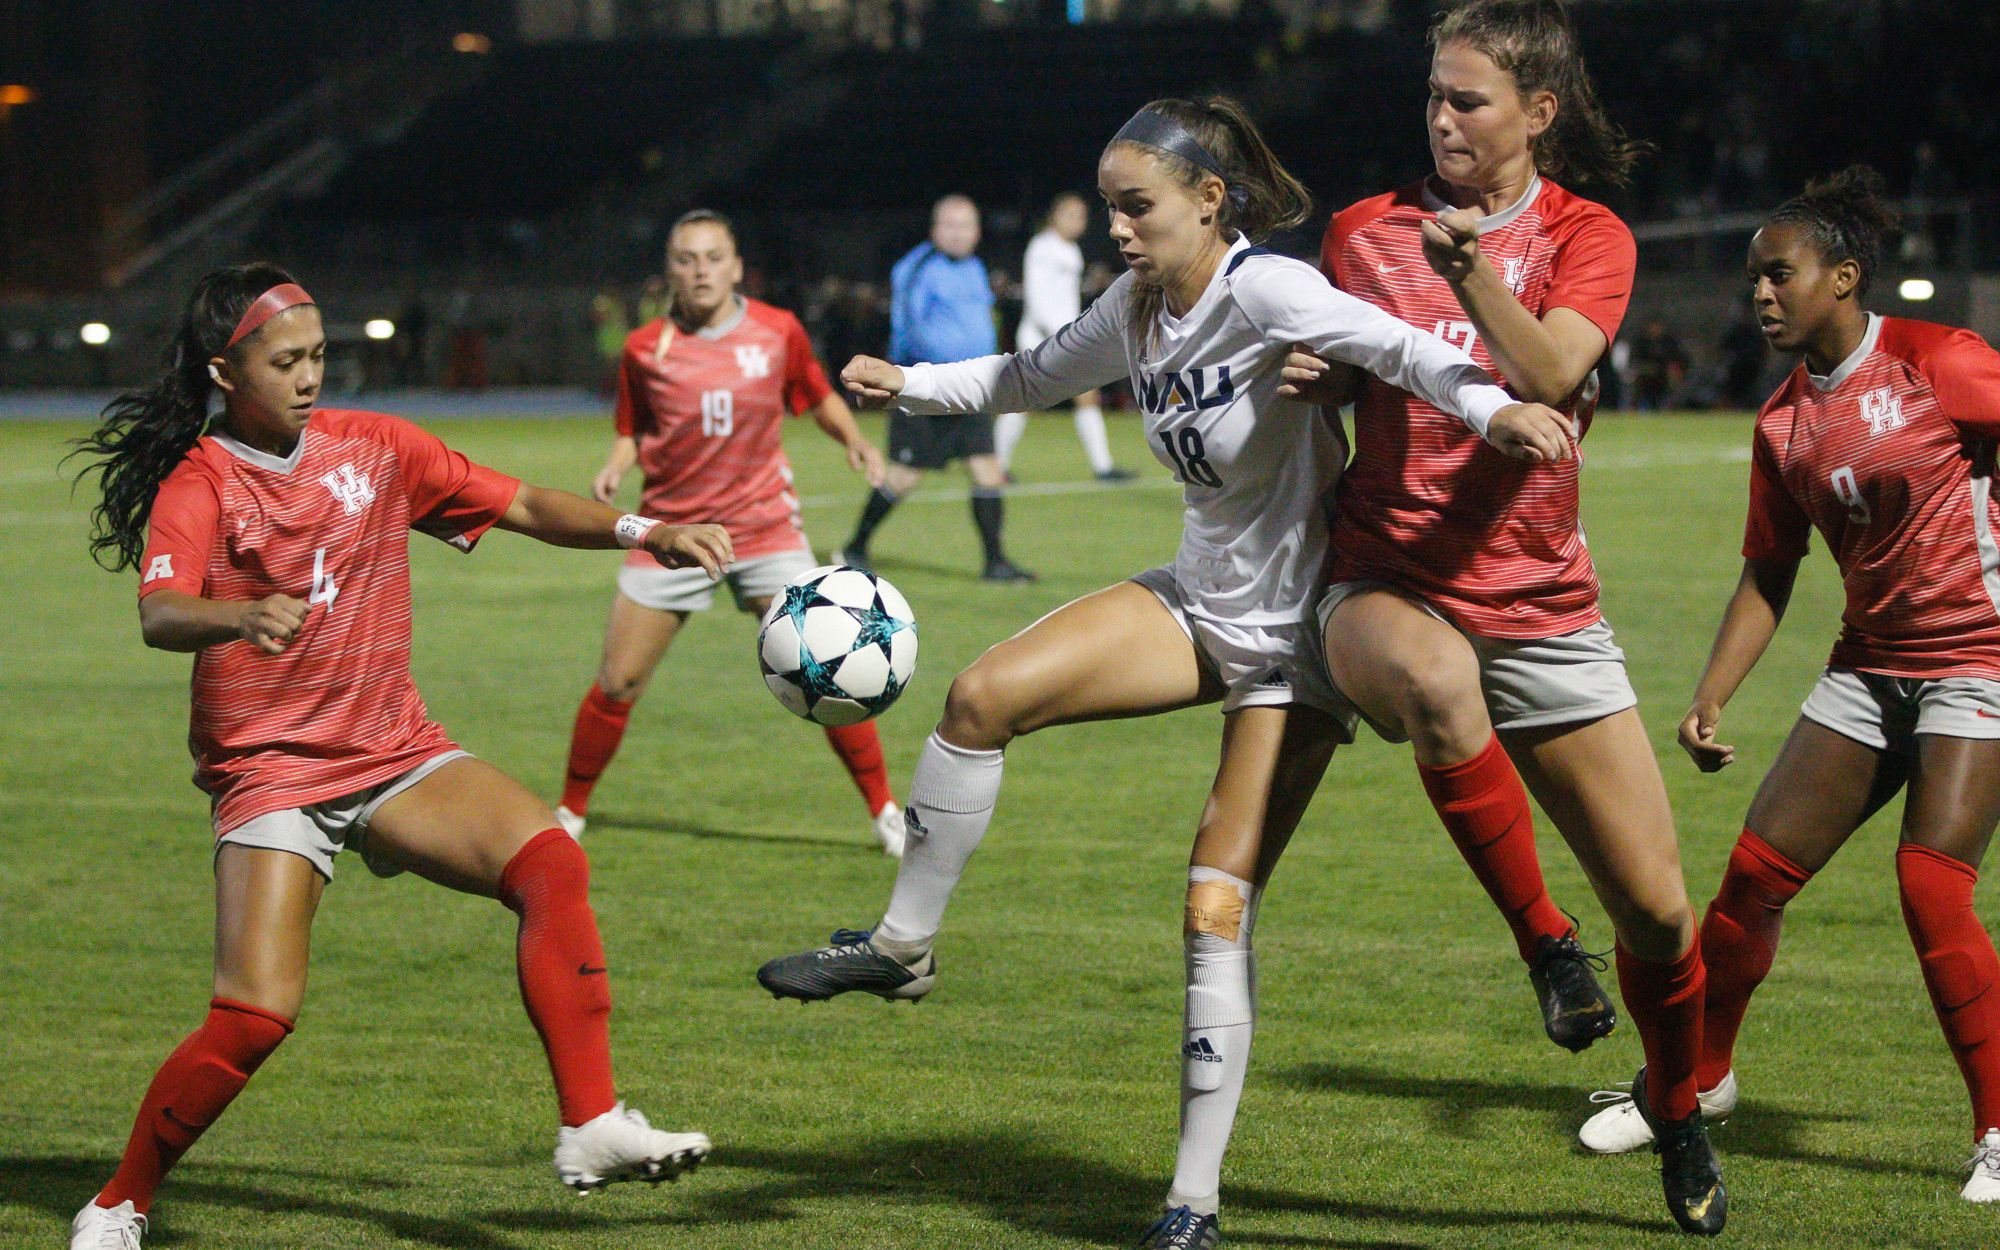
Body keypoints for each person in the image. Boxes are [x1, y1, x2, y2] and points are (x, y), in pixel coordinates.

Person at [757, 97, 1572, 1249]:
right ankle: (901, 947)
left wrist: (1493, 410)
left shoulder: (1265, 290)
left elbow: (1398, 345)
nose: (1118, 231)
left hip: (1293, 642)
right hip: (1195, 601)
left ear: (1208, 199)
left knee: (1210, 904)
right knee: (978, 695)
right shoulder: (1137, 305)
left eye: (1135, 207)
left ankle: (1190, 1200)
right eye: (1108, 209)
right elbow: (1030, 373)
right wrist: (912, 382)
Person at [64, 264, 728, 1249]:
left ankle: (590, 1122)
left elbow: (528, 507)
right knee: (254, 1015)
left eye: (319, 356)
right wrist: (241, 613)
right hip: (275, 766)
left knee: (550, 860)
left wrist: (649, 528)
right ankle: (117, 1202)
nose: (308, 376)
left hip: (391, 748)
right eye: (284, 361)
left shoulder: (376, 447)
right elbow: (160, 612)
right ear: (223, 370)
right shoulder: (200, 481)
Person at [1280, 0, 1721, 1233]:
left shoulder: (1589, 236)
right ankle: (1543, 945)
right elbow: (1319, 395)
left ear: (1539, 112)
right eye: (1432, 94)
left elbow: (1549, 375)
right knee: (1427, 680)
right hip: (1386, 579)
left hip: (1538, 604)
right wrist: (1303, 381)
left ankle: (1676, 1108)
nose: (1441, 118)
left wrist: (1469, 269)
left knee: (1660, 912)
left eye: (1467, 99)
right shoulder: (1363, 232)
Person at [1576, 166, 2000, 1204]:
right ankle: (1699, 1082)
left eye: (1779, 274)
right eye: (1752, 279)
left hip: (1977, 657)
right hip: (1865, 666)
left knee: (1926, 881)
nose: (1758, 294)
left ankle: (1996, 1125)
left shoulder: (1938, 361)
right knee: (1751, 882)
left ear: (1842, 277)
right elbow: (1770, 567)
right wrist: (1710, 693)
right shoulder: (1781, 422)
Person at [555, 210, 904, 854]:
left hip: (764, 527)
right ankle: (570, 812)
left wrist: (855, 440)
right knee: (618, 683)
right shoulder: (643, 347)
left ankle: (886, 812)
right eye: (687, 259)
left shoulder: (778, 332)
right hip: (671, 534)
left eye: (714, 257)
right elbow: (632, 426)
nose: (701, 271)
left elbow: (817, 394)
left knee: (823, 670)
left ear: (737, 266)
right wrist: (615, 463)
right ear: (670, 272)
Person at [834, 195, 1036, 583]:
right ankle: (855, 546)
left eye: (967, 225)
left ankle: (995, 563)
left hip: (974, 388)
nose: (959, 233)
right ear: (935, 228)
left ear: (977, 232)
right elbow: (905, 328)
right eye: (951, 225)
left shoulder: (976, 268)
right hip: (926, 388)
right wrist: (902, 384)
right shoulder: (916, 268)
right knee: (904, 475)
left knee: (987, 470)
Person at [993, 192, 1135, 483]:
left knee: (1086, 397)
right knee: (1024, 402)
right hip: (1042, 338)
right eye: (1070, 214)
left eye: (1080, 216)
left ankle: (1103, 467)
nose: (1076, 221)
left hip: (1065, 337)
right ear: (1054, 215)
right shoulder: (1042, 246)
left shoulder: (1070, 251)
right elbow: (1036, 296)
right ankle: (996, 464)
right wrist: (1061, 334)